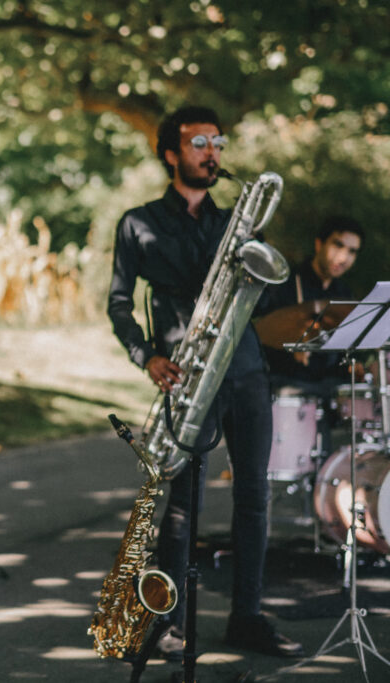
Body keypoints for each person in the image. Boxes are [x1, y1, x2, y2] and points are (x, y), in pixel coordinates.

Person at [106, 106, 304, 661]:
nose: (212, 152)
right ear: (171, 152)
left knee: (254, 499)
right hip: (188, 376)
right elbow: (119, 304)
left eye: (217, 142)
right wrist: (146, 355)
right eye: (199, 143)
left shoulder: (235, 221)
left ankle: (247, 616)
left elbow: (261, 295)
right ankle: (167, 624)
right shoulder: (137, 222)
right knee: (182, 503)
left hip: (245, 372)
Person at [259, 215, 363, 388]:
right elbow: (262, 333)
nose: (344, 257)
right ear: (319, 244)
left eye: (352, 251)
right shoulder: (284, 284)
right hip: (285, 387)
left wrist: (354, 367)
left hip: (329, 391)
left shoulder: (345, 295)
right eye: (338, 245)